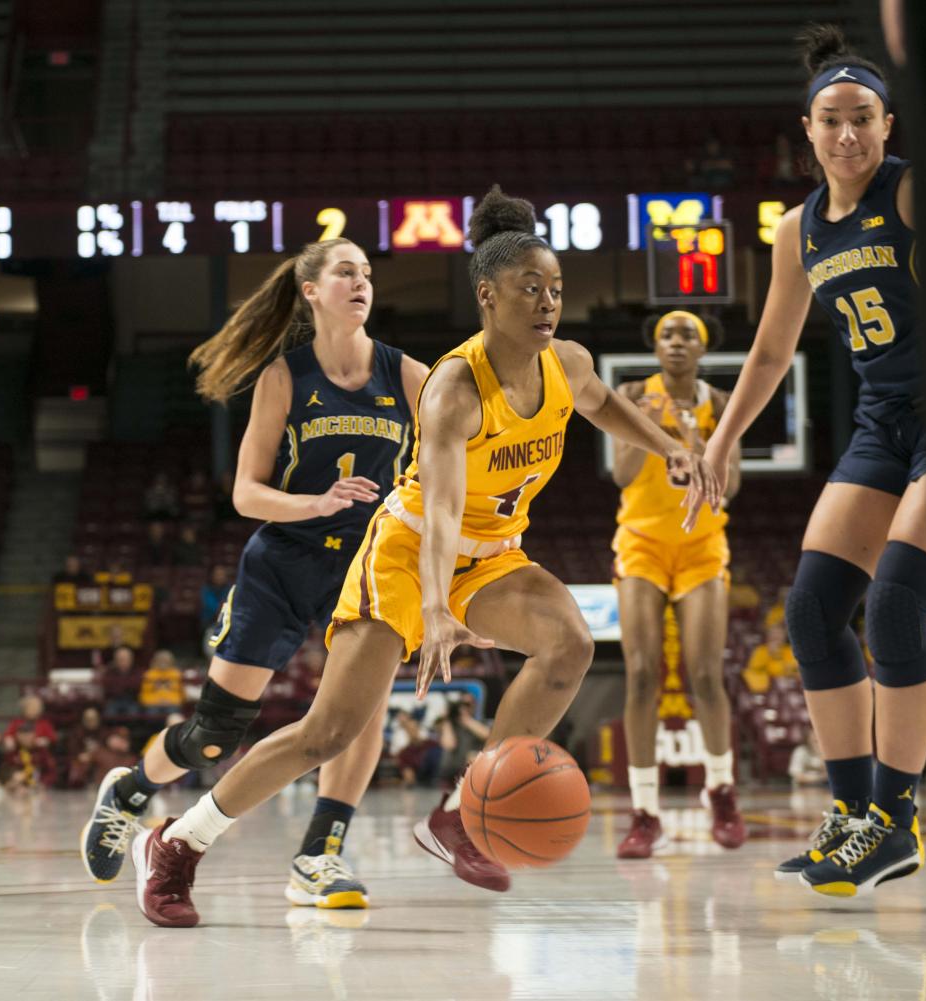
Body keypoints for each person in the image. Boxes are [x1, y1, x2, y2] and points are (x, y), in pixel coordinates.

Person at [127, 189, 718, 927]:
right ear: (486, 296)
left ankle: (461, 812)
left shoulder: (566, 360)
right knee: (329, 731)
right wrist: (435, 609)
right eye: (529, 289)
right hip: (408, 551)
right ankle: (178, 842)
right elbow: (437, 510)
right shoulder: (454, 388)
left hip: (493, 552)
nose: (547, 303)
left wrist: (672, 450)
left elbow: (600, 402)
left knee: (566, 645)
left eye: (555, 290)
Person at [80, 235, 428, 913]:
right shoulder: (284, 376)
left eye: (366, 274)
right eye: (345, 273)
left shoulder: (407, 374)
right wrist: (317, 502)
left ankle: (318, 854)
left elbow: (441, 467)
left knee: (359, 718)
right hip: (283, 562)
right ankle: (128, 790)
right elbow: (244, 492)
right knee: (215, 732)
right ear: (311, 291)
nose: (361, 284)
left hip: (369, 564)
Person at [700, 25, 926, 897]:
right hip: (882, 421)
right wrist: (720, 443)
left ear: (887, 125)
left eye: (864, 119)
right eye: (831, 120)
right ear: (805, 129)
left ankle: (894, 819)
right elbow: (767, 355)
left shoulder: (910, 196)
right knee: (809, 613)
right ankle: (848, 819)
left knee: (898, 606)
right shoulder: (796, 230)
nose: (848, 135)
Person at [610, 309, 746, 859]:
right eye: (667, 334)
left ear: (703, 347)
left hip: (701, 545)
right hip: (641, 542)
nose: (676, 342)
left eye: (688, 334)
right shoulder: (631, 393)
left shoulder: (719, 403)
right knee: (642, 673)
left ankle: (722, 791)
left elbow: (729, 486)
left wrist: (695, 439)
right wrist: (650, 434)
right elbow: (620, 475)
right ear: (656, 345)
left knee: (706, 676)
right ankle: (645, 812)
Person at [743, 621, 798, 694]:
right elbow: (755, 671)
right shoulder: (760, 651)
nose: (776, 637)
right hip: (768, 690)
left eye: (779, 634)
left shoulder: (790, 650)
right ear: (767, 636)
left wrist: (778, 655)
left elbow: (793, 670)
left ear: (784, 636)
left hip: (788, 689)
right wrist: (772, 654)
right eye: (773, 634)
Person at [3, 724, 56, 791]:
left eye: (28, 735)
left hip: (38, 786)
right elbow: (5, 770)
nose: (25, 738)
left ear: (34, 735)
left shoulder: (41, 751)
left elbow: (51, 771)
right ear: (17, 736)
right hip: (17, 787)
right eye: (22, 735)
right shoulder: (12, 752)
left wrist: (43, 783)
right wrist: (11, 779)